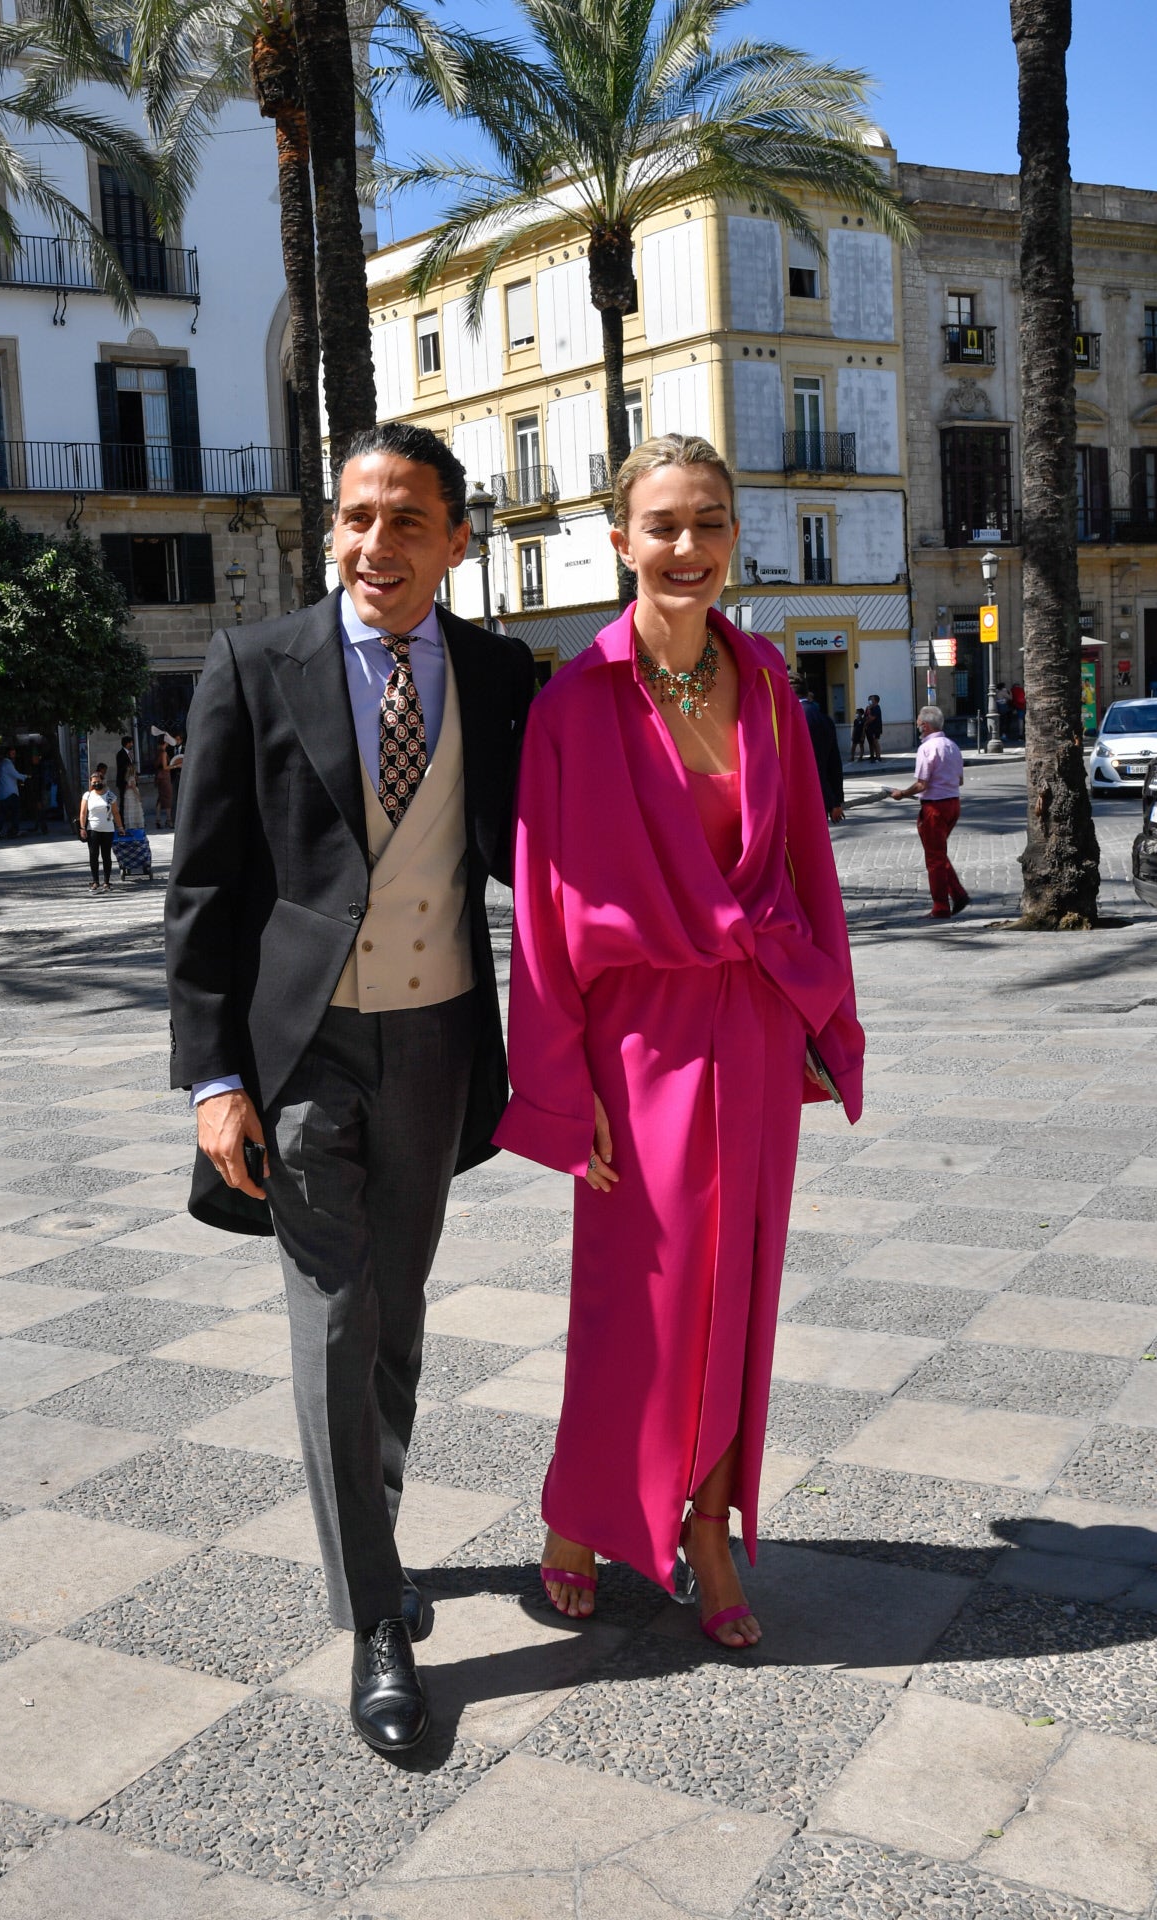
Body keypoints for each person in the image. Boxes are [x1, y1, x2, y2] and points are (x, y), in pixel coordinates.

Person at [165, 421, 536, 1755]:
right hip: (302, 1052)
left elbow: (555, 844)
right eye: (355, 517)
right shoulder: (252, 663)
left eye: (404, 520)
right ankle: (376, 1617)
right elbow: (202, 889)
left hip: (437, 1042)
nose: (374, 544)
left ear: (455, 539)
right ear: (332, 529)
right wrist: (213, 1078)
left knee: (397, 1314)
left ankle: (366, 1528)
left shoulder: (498, 675)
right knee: (333, 1315)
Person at [495, 434, 863, 1652]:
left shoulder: (768, 687)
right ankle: (580, 1511)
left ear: (734, 536)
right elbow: (542, 916)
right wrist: (564, 1088)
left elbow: (806, 867)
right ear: (621, 542)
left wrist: (819, 1017)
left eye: (709, 522)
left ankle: (709, 1523)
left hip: (749, 1022)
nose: (687, 546)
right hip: (633, 1040)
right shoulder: (571, 704)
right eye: (663, 525)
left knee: (738, 1287)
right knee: (635, 1297)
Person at [891, 705, 970, 919]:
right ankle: (957, 893)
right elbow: (959, 780)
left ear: (925, 725)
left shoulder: (926, 748)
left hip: (935, 807)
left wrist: (902, 793)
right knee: (938, 852)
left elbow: (921, 784)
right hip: (953, 803)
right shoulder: (952, 746)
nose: (917, 726)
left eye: (918, 723)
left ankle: (941, 906)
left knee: (934, 857)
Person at [789, 673, 845, 822]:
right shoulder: (825, 719)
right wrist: (835, 801)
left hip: (794, 798)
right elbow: (834, 764)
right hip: (819, 798)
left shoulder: (788, 718)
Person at [79, 768, 123, 891]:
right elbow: (83, 813)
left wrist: (120, 827)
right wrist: (82, 828)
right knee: (93, 855)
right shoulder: (87, 795)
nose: (96, 784)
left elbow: (116, 812)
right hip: (92, 829)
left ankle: (106, 882)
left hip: (108, 829)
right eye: (94, 782)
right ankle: (95, 881)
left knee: (106, 856)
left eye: (98, 781)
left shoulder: (110, 795)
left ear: (103, 781)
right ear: (90, 783)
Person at [0, 747, 27, 838]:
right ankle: (14, 830)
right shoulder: (8, 764)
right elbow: (16, 775)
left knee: (3, 812)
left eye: (14, 753)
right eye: (12, 753)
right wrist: (25, 776)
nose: (14, 755)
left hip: (3, 793)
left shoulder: (1, 764)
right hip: (10, 792)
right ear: (8, 754)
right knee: (15, 812)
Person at [153, 736, 174, 829]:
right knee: (168, 797)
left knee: (160, 799)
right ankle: (169, 820)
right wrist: (176, 765)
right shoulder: (163, 753)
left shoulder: (157, 752)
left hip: (159, 777)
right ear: (165, 743)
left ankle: (158, 820)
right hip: (165, 777)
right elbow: (165, 767)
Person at [168, 732, 185, 826]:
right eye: (175, 739)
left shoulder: (185, 749)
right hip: (173, 777)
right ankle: (174, 820)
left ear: (181, 740)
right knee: (174, 798)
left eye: (178, 739)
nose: (177, 741)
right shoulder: (170, 750)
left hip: (183, 777)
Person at [864, 692, 884, 761]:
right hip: (870, 728)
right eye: (869, 699)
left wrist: (866, 723)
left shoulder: (876, 708)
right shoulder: (870, 708)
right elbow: (866, 717)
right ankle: (872, 756)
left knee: (875, 742)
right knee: (871, 742)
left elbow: (872, 718)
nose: (870, 701)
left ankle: (878, 757)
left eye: (871, 699)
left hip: (876, 728)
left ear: (875, 701)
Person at [115, 735, 134, 799]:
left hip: (130, 780)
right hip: (123, 781)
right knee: (124, 799)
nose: (132, 744)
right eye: (131, 743)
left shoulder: (129, 753)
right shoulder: (121, 754)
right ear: (127, 743)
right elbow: (122, 767)